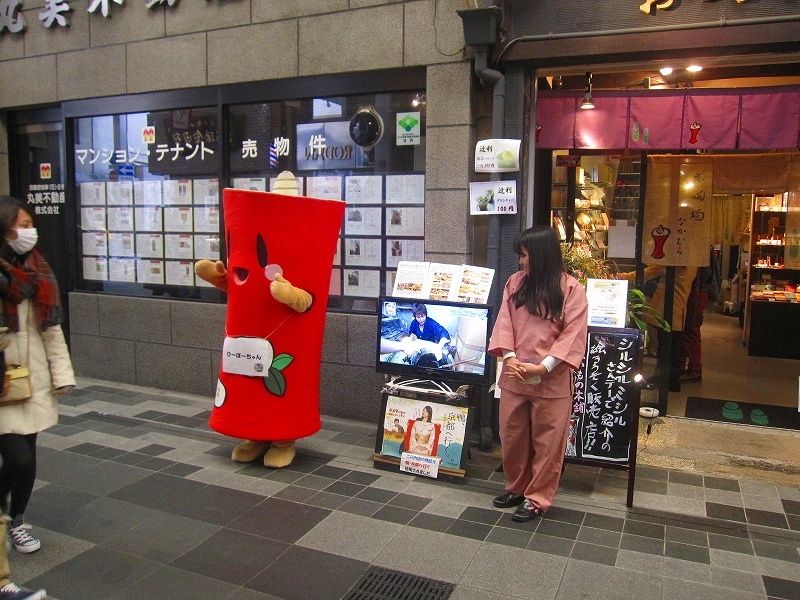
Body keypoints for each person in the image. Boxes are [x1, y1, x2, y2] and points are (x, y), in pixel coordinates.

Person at [488, 227, 588, 522]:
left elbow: (573, 334)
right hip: (515, 373)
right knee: (512, 435)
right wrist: (509, 358)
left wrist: (543, 366)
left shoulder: (571, 289)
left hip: (551, 378)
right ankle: (517, 486)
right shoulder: (515, 283)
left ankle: (537, 498)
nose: (521, 262)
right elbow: (504, 323)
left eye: (524, 255)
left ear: (541, 255)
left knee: (548, 442)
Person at [0, 196, 75, 555]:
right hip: (2, 383)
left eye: (30, 224)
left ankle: (18, 520)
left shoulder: (37, 268)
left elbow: (50, 329)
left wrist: (62, 374)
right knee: (19, 458)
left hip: (33, 381)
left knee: (29, 454)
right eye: (22, 224)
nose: (29, 231)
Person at [619, 265, 697, 392]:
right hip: (677, 304)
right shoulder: (691, 262)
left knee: (668, 344)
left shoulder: (676, 258)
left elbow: (654, 270)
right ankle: (668, 378)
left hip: (669, 304)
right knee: (672, 344)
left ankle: (667, 380)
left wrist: (627, 276)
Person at [680, 263, 716, 382]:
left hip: (696, 292)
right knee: (687, 331)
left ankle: (695, 370)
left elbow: (706, 274)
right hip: (697, 291)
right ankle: (687, 367)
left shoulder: (699, 254)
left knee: (691, 331)